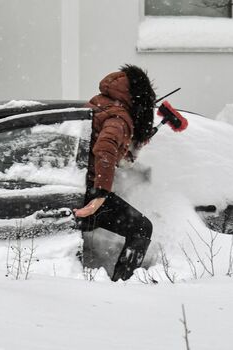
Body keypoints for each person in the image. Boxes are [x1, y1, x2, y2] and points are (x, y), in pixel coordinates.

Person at [74, 64, 156, 282]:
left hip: (71, 183)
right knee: (142, 228)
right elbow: (105, 148)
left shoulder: (101, 102)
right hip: (88, 193)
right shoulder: (121, 118)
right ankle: (123, 283)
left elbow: (98, 141)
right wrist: (100, 193)